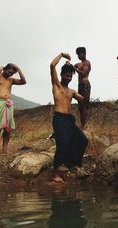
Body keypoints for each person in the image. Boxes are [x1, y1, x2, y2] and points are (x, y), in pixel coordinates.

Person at [50, 52, 88, 183]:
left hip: (69, 120)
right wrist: (61, 55)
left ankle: (72, 163)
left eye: (70, 76)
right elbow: (52, 65)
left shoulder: (72, 91)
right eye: (66, 75)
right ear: (61, 75)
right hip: (59, 119)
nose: (68, 78)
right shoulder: (57, 85)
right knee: (62, 144)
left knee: (82, 140)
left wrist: (85, 84)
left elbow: (83, 99)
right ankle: (55, 173)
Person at [0, 63, 26, 154]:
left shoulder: (11, 80)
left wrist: (18, 68)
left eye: (12, 73)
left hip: (8, 104)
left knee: (7, 128)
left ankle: (4, 149)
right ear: (5, 69)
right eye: (9, 71)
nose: (10, 74)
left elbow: (23, 81)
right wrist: (4, 66)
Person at [74, 47, 91, 129]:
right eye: (77, 54)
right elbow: (72, 66)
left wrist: (74, 68)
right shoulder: (79, 64)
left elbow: (84, 73)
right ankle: (81, 125)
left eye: (79, 54)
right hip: (80, 85)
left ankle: (82, 126)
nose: (78, 56)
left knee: (84, 106)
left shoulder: (87, 63)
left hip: (85, 84)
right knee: (80, 106)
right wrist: (68, 64)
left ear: (84, 53)